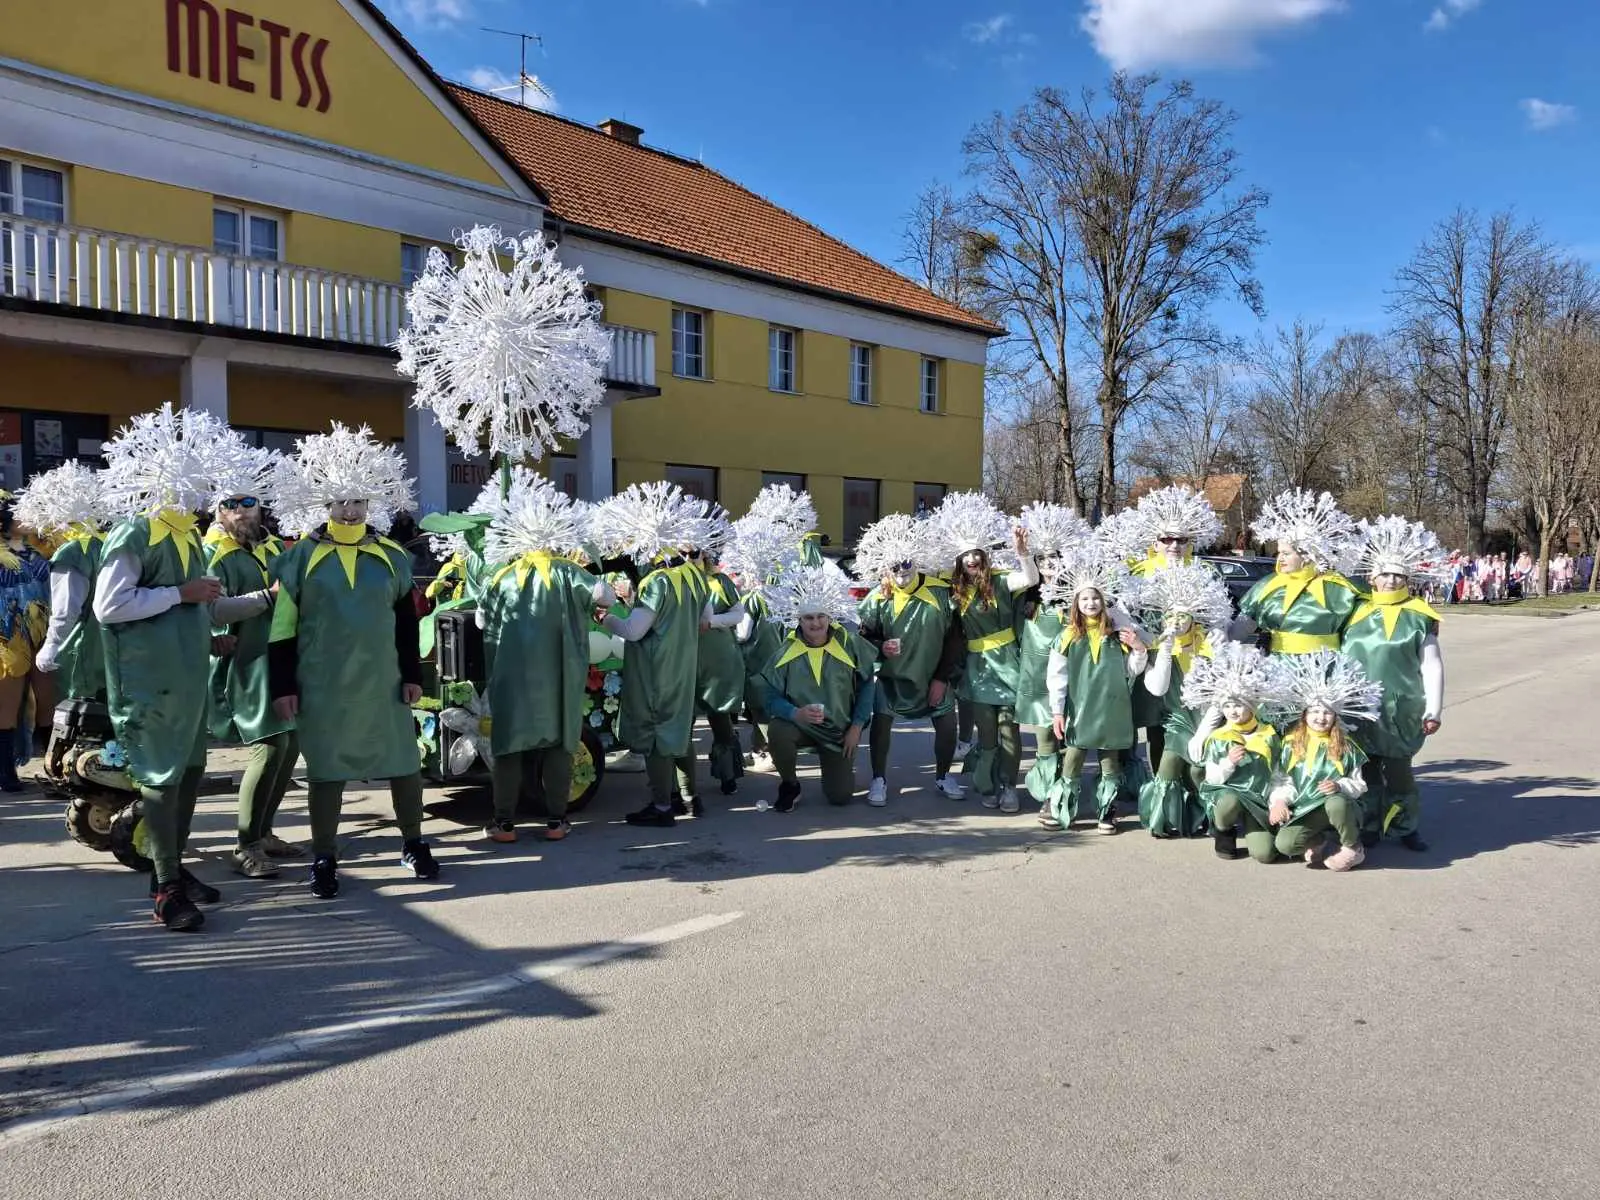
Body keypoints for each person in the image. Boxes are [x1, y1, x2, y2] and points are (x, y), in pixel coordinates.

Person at [94, 404, 272, 930]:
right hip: (149, 684)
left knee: (189, 777)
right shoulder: (134, 533)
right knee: (161, 783)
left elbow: (199, 605)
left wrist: (206, 634)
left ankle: (168, 870)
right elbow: (110, 606)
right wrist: (181, 594)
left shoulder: (187, 535)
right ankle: (166, 888)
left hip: (187, 679)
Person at [266, 424, 440, 900]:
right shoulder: (299, 558)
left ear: (371, 504)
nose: (350, 510)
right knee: (327, 771)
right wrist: (283, 686)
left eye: (359, 501)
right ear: (325, 505)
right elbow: (281, 629)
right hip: (322, 687)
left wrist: (411, 676)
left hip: (383, 682)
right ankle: (324, 856)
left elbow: (407, 623)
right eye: (341, 501)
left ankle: (413, 842)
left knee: (404, 764)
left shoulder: (392, 557)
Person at [475, 469, 615, 844]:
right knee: (559, 745)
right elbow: (606, 596)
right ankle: (556, 821)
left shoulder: (501, 577)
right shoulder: (571, 574)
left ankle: (503, 823)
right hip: (560, 677)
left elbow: (480, 620)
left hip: (511, 679)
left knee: (507, 747)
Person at [592, 482, 726, 828]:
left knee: (656, 739)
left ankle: (661, 806)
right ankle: (690, 799)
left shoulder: (657, 583)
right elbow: (706, 621)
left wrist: (608, 619)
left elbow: (635, 631)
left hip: (655, 670)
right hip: (683, 667)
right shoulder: (695, 578)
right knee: (678, 733)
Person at [205, 467, 303, 879]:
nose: (241, 511)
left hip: (278, 658)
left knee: (290, 745)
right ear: (218, 511)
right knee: (269, 748)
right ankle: (245, 844)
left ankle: (263, 833)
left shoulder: (269, 548)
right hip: (243, 664)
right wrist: (264, 599)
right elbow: (212, 609)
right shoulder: (215, 553)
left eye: (248, 502)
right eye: (231, 504)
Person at [1342, 516, 1446, 852]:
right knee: (1367, 770)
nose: (1391, 580)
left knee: (1399, 772)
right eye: (1385, 573)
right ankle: (1370, 823)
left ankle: (1405, 826)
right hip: (1358, 707)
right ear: (1372, 576)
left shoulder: (1420, 615)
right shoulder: (1354, 611)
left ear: (1408, 577)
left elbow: (1432, 664)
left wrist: (1434, 708)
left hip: (1401, 707)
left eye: (1398, 574)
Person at [935, 493, 1039, 812]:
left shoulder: (1000, 580)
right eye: (965, 556)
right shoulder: (953, 588)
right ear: (959, 559)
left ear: (983, 555)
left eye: (976, 554)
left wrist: (1023, 554)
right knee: (988, 731)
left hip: (1007, 663)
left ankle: (1009, 786)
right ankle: (989, 783)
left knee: (1010, 727)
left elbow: (1030, 578)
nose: (971, 561)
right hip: (978, 668)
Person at [853, 513, 964, 806]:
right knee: (882, 724)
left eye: (906, 564)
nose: (901, 571)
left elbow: (955, 637)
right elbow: (863, 635)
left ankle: (942, 776)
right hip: (891, 678)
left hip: (932, 675)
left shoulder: (940, 592)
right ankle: (879, 779)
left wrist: (941, 678)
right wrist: (880, 647)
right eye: (894, 566)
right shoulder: (878, 597)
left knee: (946, 724)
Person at [759, 563, 877, 811]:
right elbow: (769, 697)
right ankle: (790, 785)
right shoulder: (785, 651)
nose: (815, 623)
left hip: (839, 730)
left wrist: (857, 726)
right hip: (800, 726)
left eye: (821, 616)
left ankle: (832, 763)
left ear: (830, 617)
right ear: (798, 620)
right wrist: (795, 713)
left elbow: (867, 684)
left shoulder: (849, 643)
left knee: (840, 797)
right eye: (808, 617)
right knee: (778, 729)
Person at [1043, 554, 1148, 832]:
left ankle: (1107, 811)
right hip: (1080, 707)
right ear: (1076, 603)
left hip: (1112, 707)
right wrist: (1057, 710)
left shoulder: (1117, 634)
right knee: (1073, 756)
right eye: (1084, 599)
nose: (1091, 603)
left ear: (1104, 602)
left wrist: (1138, 647)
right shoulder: (1066, 637)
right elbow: (1057, 676)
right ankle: (1062, 808)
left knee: (1109, 759)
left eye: (1096, 598)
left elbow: (1133, 671)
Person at [1124, 486, 1225, 771]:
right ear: (1155, 542)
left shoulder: (1206, 573)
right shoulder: (1139, 574)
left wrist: (1218, 635)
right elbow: (1124, 614)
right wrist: (1142, 640)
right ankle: (1161, 785)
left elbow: (1220, 617)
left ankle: (1192, 790)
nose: (1174, 545)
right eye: (1166, 539)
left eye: (1181, 539)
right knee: (1156, 725)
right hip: (1154, 658)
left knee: (1193, 724)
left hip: (1194, 661)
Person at [1131, 562, 1234, 838]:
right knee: (1167, 769)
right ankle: (1160, 821)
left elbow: (1222, 694)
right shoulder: (1161, 645)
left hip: (1208, 720)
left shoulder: (1211, 645)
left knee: (1199, 774)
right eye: (1171, 616)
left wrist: (1202, 734)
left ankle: (1212, 819)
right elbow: (1157, 689)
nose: (1176, 622)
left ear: (1195, 619)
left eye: (1182, 616)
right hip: (1176, 718)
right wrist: (1164, 650)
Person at [1265, 651, 1380, 871]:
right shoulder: (1290, 744)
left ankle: (1352, 846)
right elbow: (1282, 780)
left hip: (1342, 806)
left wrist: (1339, 786)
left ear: (1336, 716)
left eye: (1327, 712)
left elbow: (1359, 785)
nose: (1321, 718)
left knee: (1335, 802)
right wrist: (1279, 801)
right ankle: (1316, 840)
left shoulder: (1346, 745)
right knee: (1285, 845)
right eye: (1315, 711)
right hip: (1307, 808)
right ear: (1304, 715)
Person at [1013, 502, 1092, 824]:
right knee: (1046, 740)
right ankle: (1049, 797)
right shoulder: (1028, 593)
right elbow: (1029, 574)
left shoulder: (1080, 597)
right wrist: (1023, 552)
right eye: (1042, 558)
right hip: (1036, 680)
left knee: (1071, 739)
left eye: (1055, 558)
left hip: (1075, 680)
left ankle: (1066, 791)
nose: (1048, 565)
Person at [1182, 642, 1284, 862]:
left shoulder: (1268, 734)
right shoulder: (1219, 737)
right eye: (1227, 706)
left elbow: (1278, 774)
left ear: (1252, 705)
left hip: (1258, 798)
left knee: (1265, 855)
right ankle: (1223, 829)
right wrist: (1228, 762)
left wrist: (1278, 801)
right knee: (1230, 800)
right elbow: (1212, 778)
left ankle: (1255, 826)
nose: (1232, 711)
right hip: (1230, 794)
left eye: (1238, 705)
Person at [21, 462, 109, 709]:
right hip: (112, 649)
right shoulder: (106, 542)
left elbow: (65, 610)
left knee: (81, 722)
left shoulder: (72, 552)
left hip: (81, 653)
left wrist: (51, 647)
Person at [1231, 489, 1361, 656]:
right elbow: (1237, 634)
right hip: (1278, 671)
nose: (1280, 559)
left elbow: (1360, 637)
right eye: (1279, 553)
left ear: (1307, 556)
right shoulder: (1268, 586)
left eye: (1286, 554)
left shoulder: (1340, 589)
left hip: (1324, 671)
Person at [0, 491, 56, 788]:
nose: (30, 517)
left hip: (43, 632)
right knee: (6, 707)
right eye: (22, 513)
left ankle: (54, 765)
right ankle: (5, 771)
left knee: (48, 700)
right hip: (7, 635)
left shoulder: (40, 550)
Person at [691, 538, 748, 803]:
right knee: (683, 719)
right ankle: (682, 786)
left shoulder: (720, 581)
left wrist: (712, 621)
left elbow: (738, 615)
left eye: (694, 552)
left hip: (718, 659)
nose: (689, 557)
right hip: (684, 658)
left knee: (719, 716)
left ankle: (728, 775)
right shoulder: (670, 580)